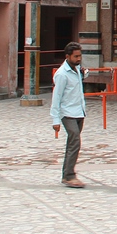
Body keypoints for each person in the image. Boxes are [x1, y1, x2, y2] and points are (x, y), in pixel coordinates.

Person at [50, 41, 89, 188]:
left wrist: (84, 73)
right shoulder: (62, 74)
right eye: (76, 56)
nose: (79, 59)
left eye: (80, 56)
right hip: (67, 113)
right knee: (75, 141)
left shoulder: (77, 69)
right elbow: (56, 97)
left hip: (79, 111)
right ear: (68, 56)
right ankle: (70, 175)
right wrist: (55, 119)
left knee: (72, 143)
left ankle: (66, 174)